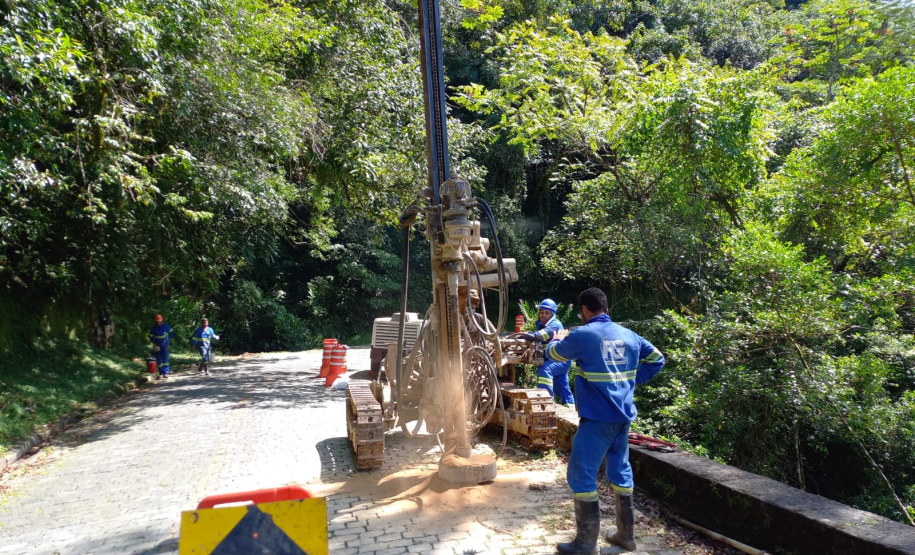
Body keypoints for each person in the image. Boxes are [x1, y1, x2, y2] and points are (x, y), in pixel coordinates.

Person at [545, 287, 665, 554]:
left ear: (585, 310)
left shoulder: (583, 335)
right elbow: (657, 359)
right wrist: (633, 381)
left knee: (581, 473)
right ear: (606, 309)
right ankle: (626, 536)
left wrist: (556, 338)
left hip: (597, 420)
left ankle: (586, 543)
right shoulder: (630, 335)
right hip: (622, 419)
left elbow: (553, 355)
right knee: (620, 471)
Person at [521, 299, 574, 407]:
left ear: (552, 314)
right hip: (556, 358)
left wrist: (524, 335)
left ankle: (547, 401)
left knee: (545, 369)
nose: (543, 315)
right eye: (542, 312)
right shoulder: (540, 323)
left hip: (561, 359)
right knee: (562, 385)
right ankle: (570, 408)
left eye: (546, 313)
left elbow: (539, 336)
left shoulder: (554, 325)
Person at [149, 314, 175, 380]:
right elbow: (151, 337)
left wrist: (169, 339)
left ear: (162, 321)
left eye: (159, 321)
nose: (158, 322)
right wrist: (154, 344)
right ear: (155, 321)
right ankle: (161, 372)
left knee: (165, 358)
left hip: (164, 345)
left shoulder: (166, 326)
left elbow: (171, 332)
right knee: (159, 359)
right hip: (157, 346)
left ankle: (166, 373)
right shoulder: (153, 328)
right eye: (157, 321)